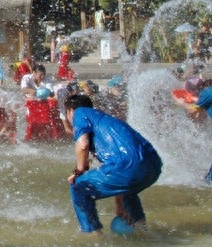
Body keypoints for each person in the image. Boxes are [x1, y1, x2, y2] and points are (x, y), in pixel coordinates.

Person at [65, 94, 162, 234]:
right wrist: (119, 205)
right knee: (128, 191)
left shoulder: (80, 112)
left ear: (70, 111)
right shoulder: (105, 120)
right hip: (153, 166)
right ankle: (142, 230)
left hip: (127, 167)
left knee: (78, 187)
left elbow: (83, 144)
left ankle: (93, 237)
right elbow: (120, 167)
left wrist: (78, 171)